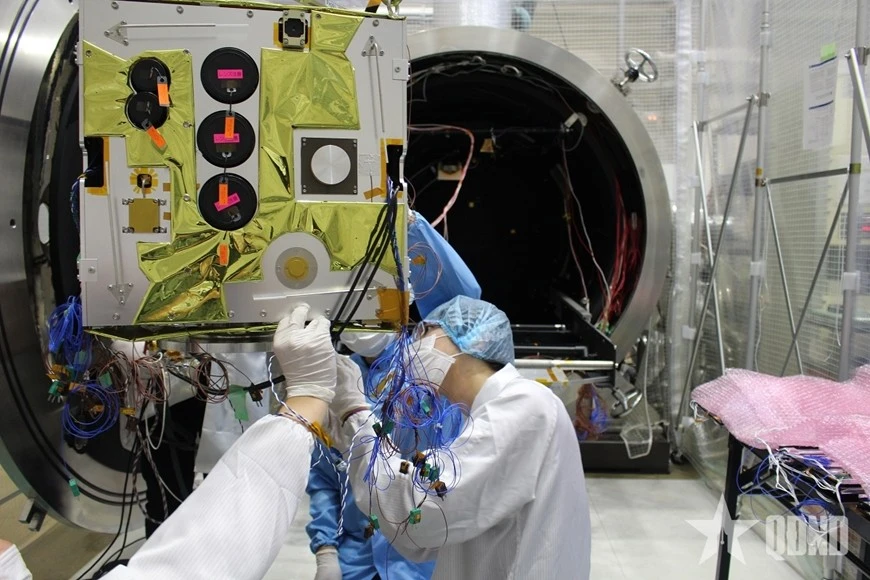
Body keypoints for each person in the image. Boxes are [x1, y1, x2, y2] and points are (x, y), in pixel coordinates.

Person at [330, 296, 592, 579]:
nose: (414, 346)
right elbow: (425, 538)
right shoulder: (483, 417)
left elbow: (419, 511)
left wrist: (355, 414)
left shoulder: (525, 405)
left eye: (425, 332)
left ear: (472, 340)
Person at [307, 209, 480, 580]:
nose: (365, 318)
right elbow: (324, 475)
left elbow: (463, 296)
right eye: (354, 308)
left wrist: (407, 224)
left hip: (422, 557)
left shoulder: (430, 371)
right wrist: (325, 549)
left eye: (376, 304)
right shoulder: (339, 380)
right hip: (357, 557)